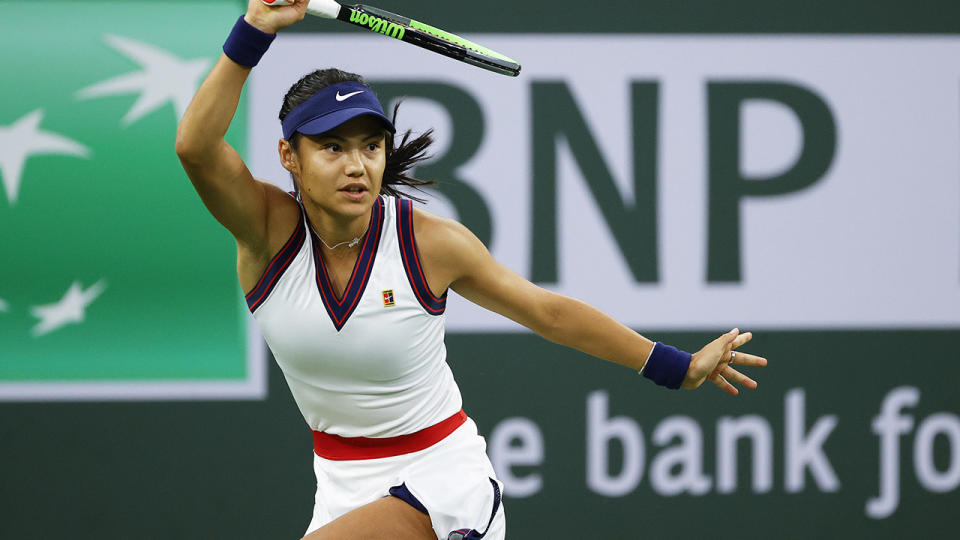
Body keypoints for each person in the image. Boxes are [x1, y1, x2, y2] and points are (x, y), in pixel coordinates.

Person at [175, 1, 767, 538]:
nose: (357, 165)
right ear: (290, 158)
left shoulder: (430, 244)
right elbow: (195, 148)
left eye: (370, 146)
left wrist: (677, 366)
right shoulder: (266, 231)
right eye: (332, 147)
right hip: (339, 492)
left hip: (442, 485)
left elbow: (547, 311)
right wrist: (254, 28)